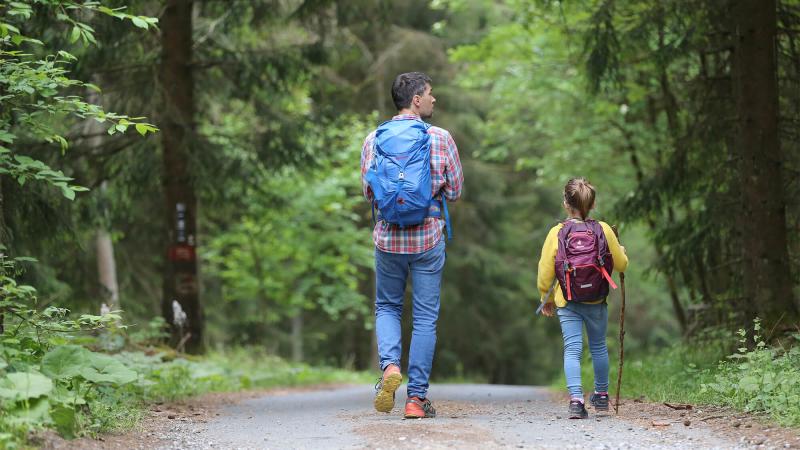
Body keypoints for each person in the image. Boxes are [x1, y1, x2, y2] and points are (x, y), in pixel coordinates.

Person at [360, 72, 463, 419]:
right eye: (430, 94)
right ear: (416, 100)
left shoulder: (374, 139)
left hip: (388, 238)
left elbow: (369, 192)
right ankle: (416, 400)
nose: (434, 100)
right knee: (424, 318)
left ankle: (389, 367)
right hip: (427, 237)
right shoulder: (440, 138)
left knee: (387, 307)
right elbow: (456, 190)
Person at [537, 177, 628, 419]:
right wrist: (622, 253)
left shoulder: (557, 232)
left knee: (572, 350)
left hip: (567, 301)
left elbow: (545, 271)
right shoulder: (604, 229)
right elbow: (621, 264)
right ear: (593, 203)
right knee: (598, 347)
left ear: (566, 204)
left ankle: (576, 401)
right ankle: (601, 397)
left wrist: (545, 298)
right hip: (596, 300)